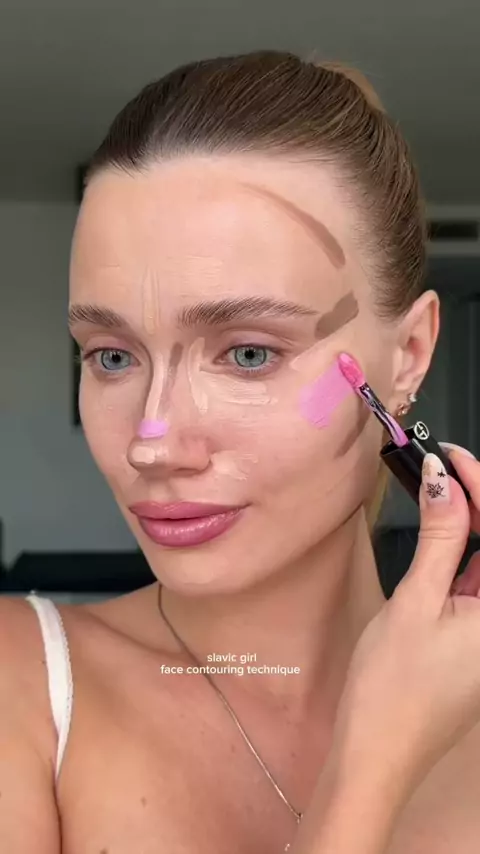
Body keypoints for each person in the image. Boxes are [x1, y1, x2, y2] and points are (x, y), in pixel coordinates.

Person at [1, 50, 480, 854]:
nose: (153, 443)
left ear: (409, 356)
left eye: (249, 353)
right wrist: (370, 767)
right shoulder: (23, 685)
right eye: (112, 356)